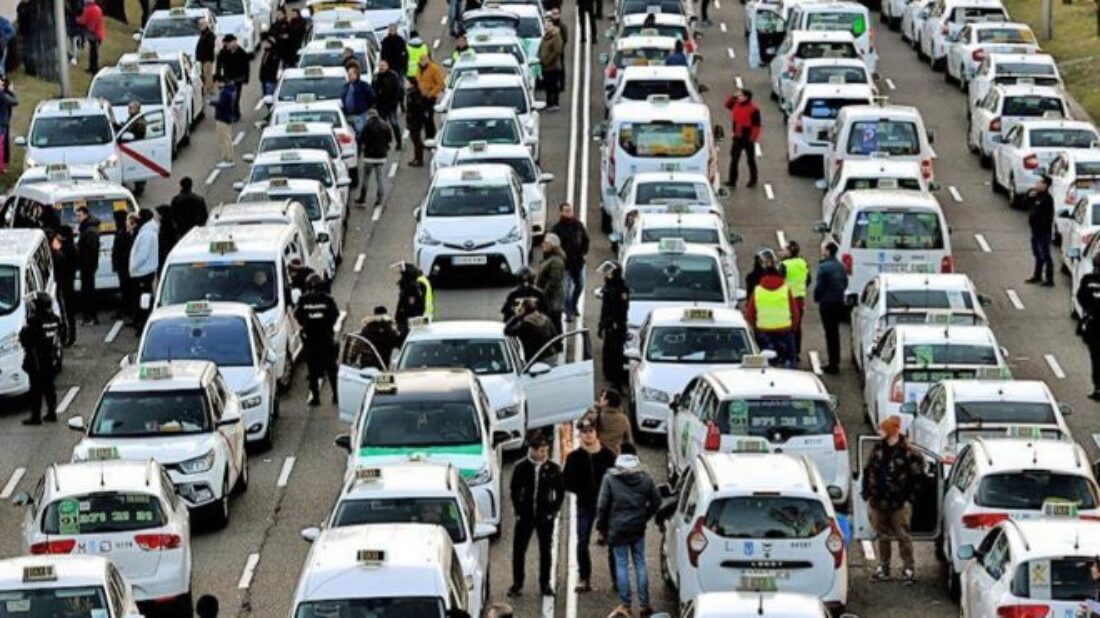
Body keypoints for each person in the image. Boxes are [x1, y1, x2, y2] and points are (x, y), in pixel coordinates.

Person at [596, 444, 661, 618]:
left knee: (622, 564)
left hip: (617, 528)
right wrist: (644, 516)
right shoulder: (645, 477)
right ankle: (644, 603)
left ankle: (626, 604)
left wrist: (601, 527)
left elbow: (602, 506)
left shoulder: (610, 478)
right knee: (640, 562)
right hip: (637, 527)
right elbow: (656, 501)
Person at [861, 415, 925, 585]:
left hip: (899, 503)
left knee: (903, 536)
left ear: (892, 431)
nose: (879, 432)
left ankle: (908, 568)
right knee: (882, 536)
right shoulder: (877, 449)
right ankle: (884, 567)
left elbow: (918, 477)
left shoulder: (908, 453)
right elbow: (868, 471)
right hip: (878, 501)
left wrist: (909, 498)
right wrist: (867, 492)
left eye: (883, 429)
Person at [563, 418, 617, 593]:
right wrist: (581, 488)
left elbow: (617, 478)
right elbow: (567, 481)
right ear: (580, 434)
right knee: (582, 542)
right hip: (585, 504)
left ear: (596, 433)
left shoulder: (608, 455)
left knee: (613, 543)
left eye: (590, 431)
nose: (588, 434)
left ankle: (617, 579)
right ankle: (584, 577)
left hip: (607, 506)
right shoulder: (574, 457)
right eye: (584, 432)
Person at [507, 433, 564, 598]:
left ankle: (545, 584)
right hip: (525, 516)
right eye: (541, 451)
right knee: (519, 550)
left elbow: (560, 492)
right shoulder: (521, 468)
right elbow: (514, 490)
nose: (544, 454)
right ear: (532, 450)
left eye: (546, 451)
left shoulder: (553, 469)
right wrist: (518, 510)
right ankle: (517, 583)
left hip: (544, 516)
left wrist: (553, 511)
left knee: (545, 551)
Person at [744, 249, 800, 367]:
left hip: (764, 332)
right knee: (790, 359)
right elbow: (795, 313)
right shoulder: (785, 289)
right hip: (784, 331)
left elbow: (749, 314)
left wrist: (756, 328)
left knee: (763, 362)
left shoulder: (757, 291)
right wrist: (792, 329)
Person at [295, 274, 341, 406]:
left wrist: (307, 324)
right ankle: (336, 396)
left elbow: (297, 315)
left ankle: (315, 397)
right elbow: (335, 315)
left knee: (313, 370)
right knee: (332, 369)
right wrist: (326, 325)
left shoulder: (303, 300)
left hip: (311, 340)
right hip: (326, 338)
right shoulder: (327, 299)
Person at [19, 292, 61, 425]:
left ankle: (36, 416)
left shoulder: (35, 321)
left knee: (35, 389)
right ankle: (51, 412)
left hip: (37, 359)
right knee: (49, 387)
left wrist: (24, 331)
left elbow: (26, 340)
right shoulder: (55, 319)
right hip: (51, 358)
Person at [550, 203, 589, 323]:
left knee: (580, 285)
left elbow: (585, 240)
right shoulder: (556, 228)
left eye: (570, 210)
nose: (568, 212)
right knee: (565, 290)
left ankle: (574, 304)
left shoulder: (578, 225)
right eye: (566, 211)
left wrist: (582, 252)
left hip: (578, 263)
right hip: (565, 265)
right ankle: (567, 312)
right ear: (561, 212)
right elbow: (553, 245)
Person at [814, 240, 848, 374]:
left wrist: (818, 297)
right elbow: (845, 283)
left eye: (823, 249)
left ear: (828, 251)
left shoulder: (824, 267)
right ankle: (835, 360)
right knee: (835, 332)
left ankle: (833, 363)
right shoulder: (840, 266)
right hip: (838, 302)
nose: (821, 251)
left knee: (830, 333)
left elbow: (820, 287)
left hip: (827, 303)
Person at [598, 261, 630, 388]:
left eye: (608, 273)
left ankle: (617, 381)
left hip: (616, 326)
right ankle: (610, 376)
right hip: (608, 324)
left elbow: (622, 308)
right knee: (607, 352)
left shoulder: (621, 289)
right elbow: (604, 309)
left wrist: (614, 323)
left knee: (616, 354)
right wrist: (601, 325)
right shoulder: (608, 287)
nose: (606, 275)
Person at [722, 88, 761, 188]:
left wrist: (752, 138)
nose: (739, 97)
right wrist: (733, 96)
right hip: (737, 136)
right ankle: (732, 180)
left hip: (747, 137)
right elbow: (726, 104)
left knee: (750, 160)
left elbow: (756, 126)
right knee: (734, 159)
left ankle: (753, 179)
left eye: (741, 96)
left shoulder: (753, 109)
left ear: (746, 97)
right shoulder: (736, 104)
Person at [779, 240, 810, 357]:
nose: (782, 252)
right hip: (799, 299)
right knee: (797, 326)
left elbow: (778, 281)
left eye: (784, 250)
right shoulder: (803, 263)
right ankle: (796, 350)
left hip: (786, 299)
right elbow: (808, 279)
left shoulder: (784, 265)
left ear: (789, 251)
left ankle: (786, 350)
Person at [129, 209, 159, 330]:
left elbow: (143, 254)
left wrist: (134, 266)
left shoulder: (146, 234)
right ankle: (140, 320)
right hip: (146, 270)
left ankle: (143, 322)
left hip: (143, 271)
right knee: (144, 297)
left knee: (143, 299)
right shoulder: (148, 231)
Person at [1025, 174, 1055, 287]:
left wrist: (1041, 226)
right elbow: (1026, 203)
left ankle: (1049, 279)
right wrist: (1030, 193)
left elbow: (1047, 217)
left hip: (1043, 232)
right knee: (1037, 254)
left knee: (1045, 255)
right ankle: (1037, 275)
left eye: (1040, 183)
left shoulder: (1047, 199)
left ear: (1045, 185)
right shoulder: (1036, 195)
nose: (1037, 184)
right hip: (1035, 231)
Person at [358, 109, 392, 206]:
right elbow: (389, 139)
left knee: (366, 177)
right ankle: (380, 198)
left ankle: (362, 197)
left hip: (369, 156)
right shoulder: (385, 125)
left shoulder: (366, 126)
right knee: (379, 177)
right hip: (381, 156)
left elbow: (361, 139)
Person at [1078, 253, 1100, 400]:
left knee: (1096, 359)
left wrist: (1090, 310)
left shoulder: (1088, 280)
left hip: (1094, 326)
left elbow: (1081, 297)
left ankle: (1098, 388)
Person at [73, 206, 100, 326]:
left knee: (88, 293)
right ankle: (89, 317)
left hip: (88, 266)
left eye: (79, 216)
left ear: (85, 215)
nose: (78, 219)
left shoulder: (90, 231)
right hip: (87, 266)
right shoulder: (87, 228)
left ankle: (91, 317)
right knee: (87, 292)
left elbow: (91, 251)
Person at [583, 389, 633, 453]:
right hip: (615, 454)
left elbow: (580, 425)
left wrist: (591, 410)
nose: (600, 398)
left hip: (598, 453)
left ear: (606, 402)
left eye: (602, 397)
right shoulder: (624, 419)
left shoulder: (597, 415)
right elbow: (630, 440)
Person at [52, 228, 78, 346]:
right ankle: (71, 335)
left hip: (64, 284)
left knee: (65, 312)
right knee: (69, 312)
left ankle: (68, 336)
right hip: (69, 283)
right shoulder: (72, 248)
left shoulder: (63, 252)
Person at [215, 35, 249, 119]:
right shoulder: (223, 53)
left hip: (238, 78)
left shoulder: (241, 52)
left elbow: (246, 66)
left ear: (233, 42)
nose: (227, 46)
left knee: (236, 97)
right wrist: (219, 78)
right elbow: (219, 66)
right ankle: (231, 113)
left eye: (228, 43)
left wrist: (245, 78)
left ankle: (235, 113)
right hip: (228, 78)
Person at [373, 58, 404, 150]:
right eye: (380, 66)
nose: (381, 67)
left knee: (394, 124)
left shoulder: (393, 76)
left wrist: (395, 103)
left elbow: (397, 91)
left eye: (383, 66)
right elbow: (373, 90)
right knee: (383, 127)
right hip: (381, 106)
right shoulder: (376, 77)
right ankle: (385, 143)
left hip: (391, 105)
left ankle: (399, 142)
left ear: (388, 66)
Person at [537, 233, 567, 328]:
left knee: (554, 323)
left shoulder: (556, 261)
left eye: (546, 243)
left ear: (552, 246)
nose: (543, 245)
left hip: (553, 300)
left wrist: (542, 296)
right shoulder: (549, 258)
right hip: (550, 299)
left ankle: (558, 341)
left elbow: (554, 282)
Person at [341, 64, 375, 138]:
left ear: (356, 74)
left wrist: (365, 107)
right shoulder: (346, 86)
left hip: (360, 114)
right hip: (349, 114)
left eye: (350, 74)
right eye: (348, 74)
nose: (348, 76)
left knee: (361, 132)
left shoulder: (363, 85)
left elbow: (371, 97)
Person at [394, 262, 427, 337]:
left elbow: (411, 308)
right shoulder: (417, 286)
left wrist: (403, 323)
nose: (401, 277)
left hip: (411, 322)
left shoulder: (411, 290)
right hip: (414, 320)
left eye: (403, 275)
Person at [112, 211, 134, 322]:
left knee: (126, 289)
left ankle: (126, 311)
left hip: (124, 266)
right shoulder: (123, 232)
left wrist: (117, 263)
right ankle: (125, 310)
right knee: (125, 288)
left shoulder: (123, 233)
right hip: (124, 265)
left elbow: (120, 251)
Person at [415, 54, 443, 138]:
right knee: (424, 117)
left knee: (429, 117)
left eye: (424, 60)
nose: (423, 62)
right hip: (421, 96)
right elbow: (418, 81)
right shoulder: (419, 69)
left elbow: (439, 83)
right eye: (421, 60)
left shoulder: (434, 69)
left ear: (428, 60)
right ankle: (428, 135)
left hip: (431, 97)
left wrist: (431, 93)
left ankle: (432, 136)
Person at [211, 76, 237, 168]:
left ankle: (227, 158)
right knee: (226, 138)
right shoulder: (230, 92)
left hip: (222, 118)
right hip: (226, 118)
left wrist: (212, 102)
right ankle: (227, 158)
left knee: (224, 139)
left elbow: (221, 104)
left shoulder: (225, 93)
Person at [538, 22, 564, 110]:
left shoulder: (556, 37)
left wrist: (547, 60)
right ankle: (549, 103)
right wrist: (540, 57)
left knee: (553, 85)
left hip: (553, 67)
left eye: (549, 26)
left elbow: (557, 51)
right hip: (545, 67)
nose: (547, 28)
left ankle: (555, 103)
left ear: (553, 27)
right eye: (546, 26)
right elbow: (541, 48)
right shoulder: (545, 37)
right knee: (547, 86)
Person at [75, 0, 104, 73]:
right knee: (94, 52)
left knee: (93, 52)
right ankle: (94, 68)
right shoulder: (98, 9)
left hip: (93, 34)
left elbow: (82, 21)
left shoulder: (88, 10)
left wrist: (76, 19)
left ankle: (93, 68)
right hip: (99, 33)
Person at [405, 79, 429, 166]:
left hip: (415, 121)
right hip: (414, 120)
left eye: (407, 82)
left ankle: (419, 159)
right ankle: (416, 158)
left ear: (412, 84)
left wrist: (412, 118)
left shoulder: (414, 94)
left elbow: (417, 107)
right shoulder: (411, 93)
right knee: (415, 139)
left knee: (416, 140)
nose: (405, 84)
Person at [195, 18, 217, 95]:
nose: (199, 26)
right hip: (204, 58)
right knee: (207, 74)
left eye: (201, 25)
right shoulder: (203, 34)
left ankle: (206, 89)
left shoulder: (209, 35)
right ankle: (210, 89)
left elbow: (209, 45)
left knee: (207, 74)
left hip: (207, 58)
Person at [0, 77, 16, 172]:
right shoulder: (2, 96)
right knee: (1, 147)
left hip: (3, 123)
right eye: (1, 84)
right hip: (2, 124)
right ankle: (1, 167)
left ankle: (2, 166)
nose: (2, 85)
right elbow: (14, 102)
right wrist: (11, 92)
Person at [155, 204, 177, 272]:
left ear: (162, 215)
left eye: (158, 214)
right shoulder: (171, 225)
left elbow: (164, 246)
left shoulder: (165, 228)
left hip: (164, 259)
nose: (156, 216)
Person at [258, 36, 281, 102]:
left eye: (267, 43)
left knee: (269, 98)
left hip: (270, 79)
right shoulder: (266, 52)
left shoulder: (275, 54)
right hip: (264, 78)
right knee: (265, 98)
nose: (265, 44)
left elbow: (273, 66)